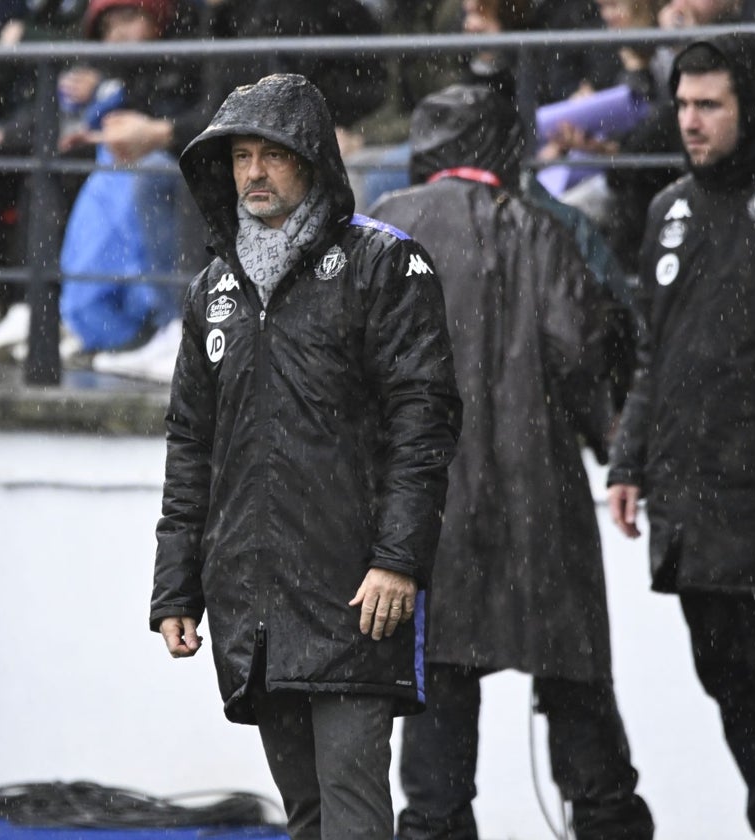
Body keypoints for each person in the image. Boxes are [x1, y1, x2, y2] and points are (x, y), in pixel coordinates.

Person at [151, 73, 461, 840]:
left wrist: (397, 560)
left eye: (274, 156)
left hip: (357, 596)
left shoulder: (384, 265)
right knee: (309, 821)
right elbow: (191, 443)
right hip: (252, 602)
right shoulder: (211, 291)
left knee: (354, 822)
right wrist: (175, 587)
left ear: (315, 161)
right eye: (241, 156)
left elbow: (423, 424)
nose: (253, 173)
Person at [367, 83, 653, 840]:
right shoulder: (544, 230)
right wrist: (619, 452)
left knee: (435, 714)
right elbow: (581, 353)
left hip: (427, 516)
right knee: (578, 697)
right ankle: (605, 819)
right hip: (541, 508)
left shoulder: (383, 229)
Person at [607, 33, 755, 839]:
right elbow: (653, 352)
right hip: (689, 494)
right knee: (724, 676)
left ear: (754, 107)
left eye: (710, 105)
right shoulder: (666, 208)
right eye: (682, 104)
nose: (691, 121)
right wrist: (629, 459)